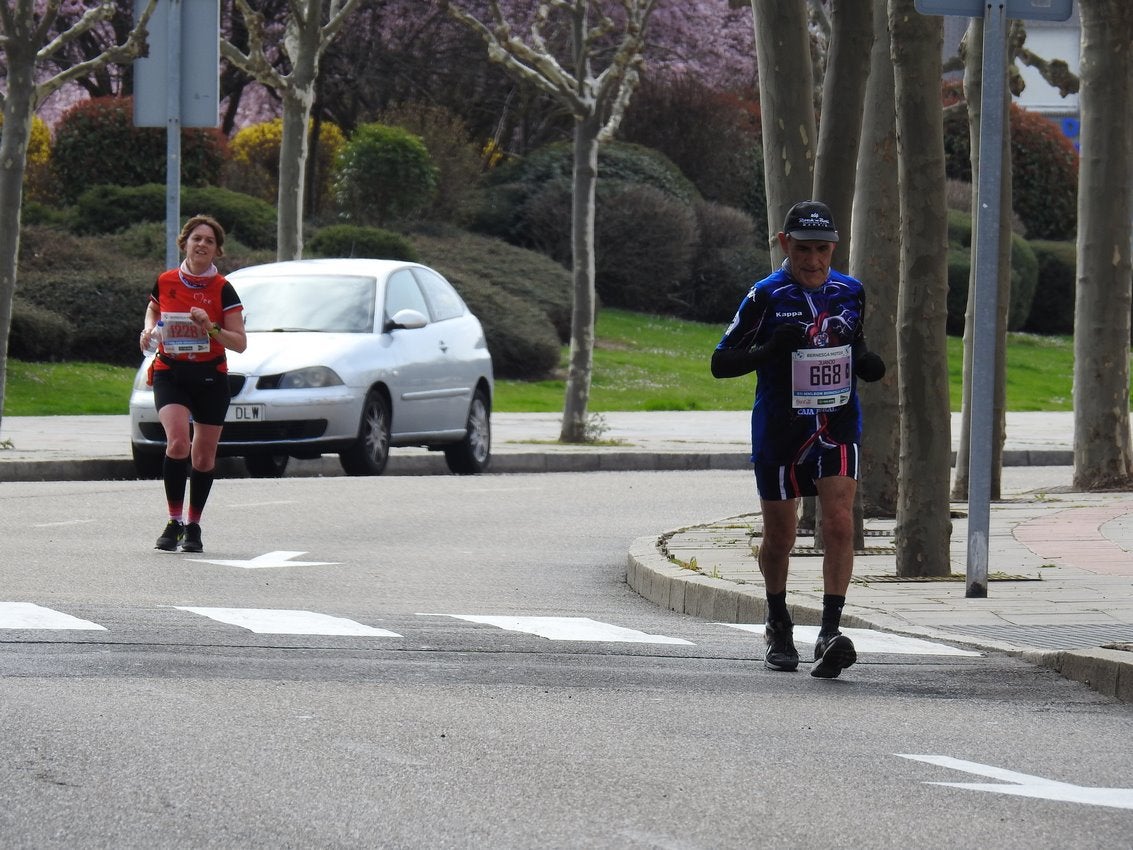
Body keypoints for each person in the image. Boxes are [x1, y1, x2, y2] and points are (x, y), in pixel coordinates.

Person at [711, 200, 885, 679]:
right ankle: (778, 620)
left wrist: (867, 361)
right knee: (782, 535)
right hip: (781, 429)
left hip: (837, 423)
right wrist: (768, 350)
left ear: (834, 248)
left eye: (823, 250)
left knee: (840, 524)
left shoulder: (851, 291)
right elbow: (720, 361)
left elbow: (855, 339)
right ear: (786, 245)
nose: (813, 260)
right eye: (804, 249)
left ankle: (830, 631)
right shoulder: (765, 295)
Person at [140, 214, 247, 553]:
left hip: (210, 377)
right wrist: (149, 332)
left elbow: (239, 342)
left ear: (217, 250)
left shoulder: (223, 289)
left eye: (209, 241)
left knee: (203, 456)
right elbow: (153, 311)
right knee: (177, 443)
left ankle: (194, 524)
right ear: (184, 242)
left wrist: (211, 327)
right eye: (196, 238)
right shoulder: (166, 280)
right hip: (171, 371)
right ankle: (174, 520)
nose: (202, 245)